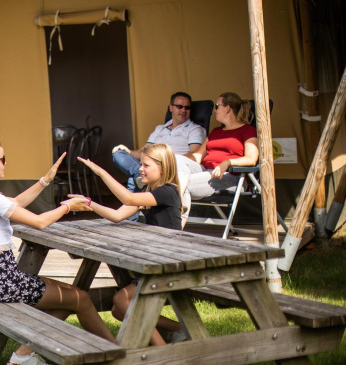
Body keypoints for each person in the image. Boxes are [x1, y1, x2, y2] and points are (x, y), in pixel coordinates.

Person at [0, 139, 115, 365]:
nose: (5, 163)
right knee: (80, 298)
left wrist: (45, 180)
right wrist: (68, 207)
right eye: (2, 159)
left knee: (68, 295)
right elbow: (40, 222)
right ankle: (118, 354)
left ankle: (22, 356)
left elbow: (15, 203)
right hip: (5, 282)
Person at [76, 143, 186, 345]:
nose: (140, 169)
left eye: (145, 165)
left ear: (162, 168)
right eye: (140, 164)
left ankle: (161, 351)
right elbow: (117, 215)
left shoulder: (167, 192)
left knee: (121, 301)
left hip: (171, 267)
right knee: (118, 311)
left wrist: (101, 172)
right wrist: (89, 203)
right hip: (158, 266)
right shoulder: (150, 192)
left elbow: (128, 197)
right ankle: (178, 329)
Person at [111, 92, 206, 221]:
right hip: (151, 164)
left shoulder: (194, 129)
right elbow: (143, 152)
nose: (183, 110)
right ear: (171, 107)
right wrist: (127, 151)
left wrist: (167, 163)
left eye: (187, 108)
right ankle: (138, 174)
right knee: (118, 153)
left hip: (174, 166)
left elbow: (194, 155)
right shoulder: (160, 129)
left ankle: (138, 179)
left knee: (133, 181)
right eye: (179, 106)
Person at [177, 92, 259, 208]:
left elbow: (251, 159)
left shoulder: (248, 130)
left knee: (180, 185)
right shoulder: (216, 131)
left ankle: (176, 220)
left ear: (227, 108)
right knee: (175, 159)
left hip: (228, 176)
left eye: (217, 106)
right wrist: (171, 159)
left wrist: (227, 162)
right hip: (204, 171)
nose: (214, 110)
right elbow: (198, 156)